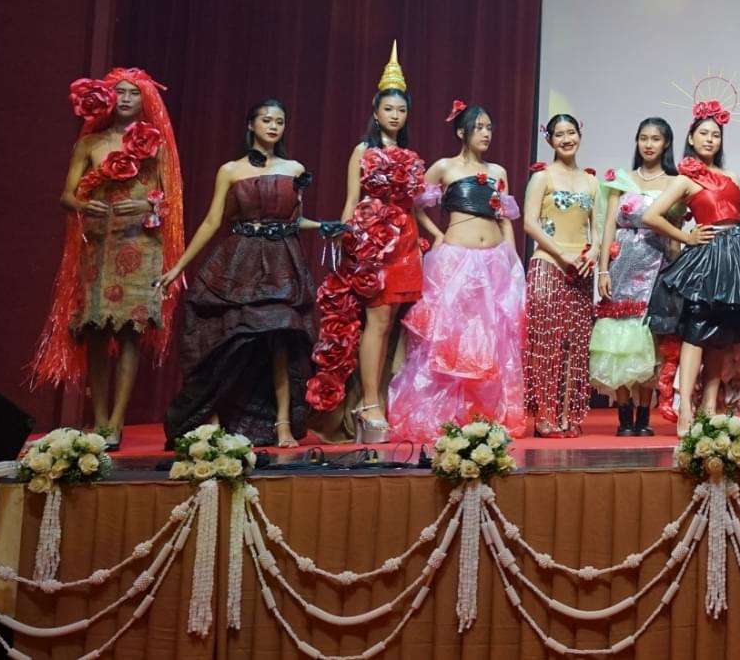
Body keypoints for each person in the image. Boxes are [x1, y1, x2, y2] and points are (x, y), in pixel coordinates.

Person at [28, 69, 187, 450]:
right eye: (121, 92)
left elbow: (171, 199)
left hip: (140, 245)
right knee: (96, 332)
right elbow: (66, 196)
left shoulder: (156, 143)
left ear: (145, 99)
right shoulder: (91, 143)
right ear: (107, 97)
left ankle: (117, 420)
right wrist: (84, 205)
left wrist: (148, 205)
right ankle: (99, 418)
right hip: (99, 245)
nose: (127, 98)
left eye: (134, 93)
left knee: (131, 333)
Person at [158, 100, 331, 446]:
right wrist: (178, 266)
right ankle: (214, 418)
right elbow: (212, 221)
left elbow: (294, 220)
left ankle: (283, 424)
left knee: (281, 339)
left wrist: (326, 226)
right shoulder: (231, 170)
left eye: (279, 121)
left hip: (281, 262)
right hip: (240, 262)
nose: (273, 126)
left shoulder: (294, 168)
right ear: (251, 124)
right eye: (266, 120)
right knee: (229, 341)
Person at [305, 46, 427, 442]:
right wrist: (347, 240)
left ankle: (379, 399)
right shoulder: (364, 151)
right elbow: (351, 200)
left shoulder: (410, 155)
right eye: (388, 109)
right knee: (376, 321)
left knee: (392, 324)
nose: (395, 115)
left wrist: (428, 239)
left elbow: (414, 205)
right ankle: (369, 403)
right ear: (376, 112)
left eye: (401, 110)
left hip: (405, 239)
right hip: (373, 240)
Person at [387, 102, 527, 440]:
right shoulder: (444, 167)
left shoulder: (498, 171)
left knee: (490, 340)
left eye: (489, 127)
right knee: (451, 338)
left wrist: (511, 257)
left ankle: (484, 416)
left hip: (494, 260)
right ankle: (447, 417)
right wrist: (436, 235)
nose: (486, 133)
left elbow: (504, 218)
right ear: (462, 131)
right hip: (456, 261)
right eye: (479, 127)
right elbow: (414, 205)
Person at [643, 110, 740, 428]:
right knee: (695, 331)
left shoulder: (732, 176)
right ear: (691, 139)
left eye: (715, 135)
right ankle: (685, 410)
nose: (710, 139)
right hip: (705, 258)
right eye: (704, 133)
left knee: (721, 333)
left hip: (734, 255)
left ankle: (708, 407)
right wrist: (687, 237)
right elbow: (651, 216)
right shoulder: (685, 178)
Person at [592, 118, 677, 435]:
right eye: (643, 138)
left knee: (648, 341)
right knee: (619, 339)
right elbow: (608, 229)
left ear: (666, 144)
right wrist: (603, 269)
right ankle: (624, 416)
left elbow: (675, 232)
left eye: (655, 138)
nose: (649, 144)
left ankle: (643, 417)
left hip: (657, 268)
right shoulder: (622, 181)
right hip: (621, 267)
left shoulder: (673, 183)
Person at [524, 115, 599, 437]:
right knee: (547, 342)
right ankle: (544, 415)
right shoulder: (542, 177)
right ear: (549, 140)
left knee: (574, 344)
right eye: (559, 135)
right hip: (548, 264)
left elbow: (597, 227)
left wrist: (594, 252)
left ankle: (568, 414)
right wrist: (561, 254)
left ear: (580, 135)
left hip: (580, 268)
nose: (566, 139)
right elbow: (529, 223)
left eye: (571, 133)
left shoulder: (591, 182)